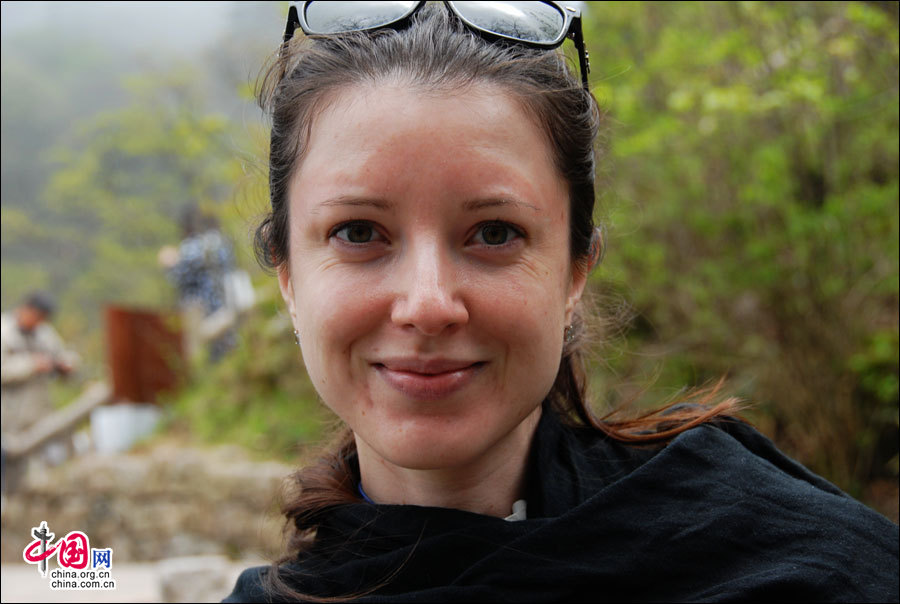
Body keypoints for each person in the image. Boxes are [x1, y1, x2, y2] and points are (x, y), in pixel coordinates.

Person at [225, 2, 898, 601]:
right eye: (358, 233)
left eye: (495, 233)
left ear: (575, 273)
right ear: (288, 278)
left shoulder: (795, 567)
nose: (428, 306)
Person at [1, 291, 80, 491]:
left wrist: (65, 364)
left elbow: (64, 355)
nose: (39, 321)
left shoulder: (45, 333)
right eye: (37, 316)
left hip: (39, 411)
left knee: (41, 463)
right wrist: (31, 365)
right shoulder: (4, 331)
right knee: (10, 464)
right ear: (26, 309)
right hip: (8, 415)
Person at [159, 205, 236, 360]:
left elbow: (177, 275)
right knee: (226, 356)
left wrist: (168, 260)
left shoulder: (192, 246)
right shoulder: (221, 242)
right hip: (226, 309)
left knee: (202, 359)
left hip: (203, 316)